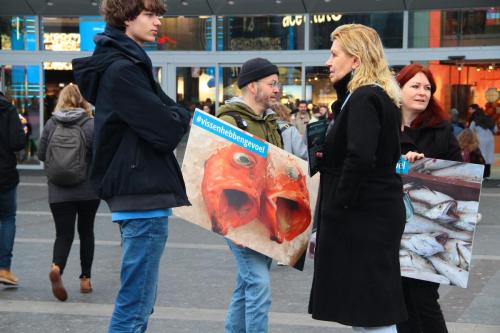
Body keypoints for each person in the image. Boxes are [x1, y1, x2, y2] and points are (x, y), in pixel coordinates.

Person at [72, 0, 191, 331]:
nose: (157, 23)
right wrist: (178, 115)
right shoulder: (122, 70)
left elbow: (173, 113)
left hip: (140, 196)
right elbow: (167, 129)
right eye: (150, 15)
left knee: (139, 302)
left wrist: (176, 114)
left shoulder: (130, 64)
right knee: (135, 304)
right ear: (126, 18)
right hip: (143, 198)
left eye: (158, 16)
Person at [308, 24, 407, 332]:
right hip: (371, 215)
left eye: (334, 54)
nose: (328, 61)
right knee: (364, 307)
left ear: (356, 60)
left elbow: (361, 157)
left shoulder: (364, 97)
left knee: (370, 309)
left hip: (363, 218)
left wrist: (338, 205)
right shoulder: (371, 97)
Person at [217, 57, 283, 333]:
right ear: (252, 86)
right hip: (240, 219)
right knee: (258, 285)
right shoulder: (228, 120)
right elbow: (222, 175)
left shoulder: (270, 121)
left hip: (267, 218)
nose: (278, 89)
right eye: (272, 83)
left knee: (247, 286)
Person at [396, 63, 462, 333]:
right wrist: (402, 164)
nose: (423, 92)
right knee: (398, 299)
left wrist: (425, 166)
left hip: (427, 228)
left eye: (427, 88)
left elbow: (459, 174)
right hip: (392, 226)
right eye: (415, 86)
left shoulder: (441, 129)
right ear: (398, 89)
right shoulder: (384, 127)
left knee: (424, 298)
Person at [38, 84, 100, 301]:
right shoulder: (91, 125)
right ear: (83, 101)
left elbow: (41, 154)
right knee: (87, 233)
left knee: (63, 234)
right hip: (88, 191)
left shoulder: (51, 124)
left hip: (58, 191)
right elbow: (100, 156)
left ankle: (57, 267)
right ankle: (85, 279)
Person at [0, 91, 26, 286]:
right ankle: (4, 268)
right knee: (8, 218)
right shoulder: (8, 109)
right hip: (5, 173)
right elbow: (17, 143)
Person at [469, 107, 497, 178]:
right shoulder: (490, 120)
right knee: (489, 156)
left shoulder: (475, 121)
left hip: (480, 139)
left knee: (481, 156)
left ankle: (481, 174)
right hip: (490, 139)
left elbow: (470, 131)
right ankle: (487, 174)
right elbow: (496, 130)